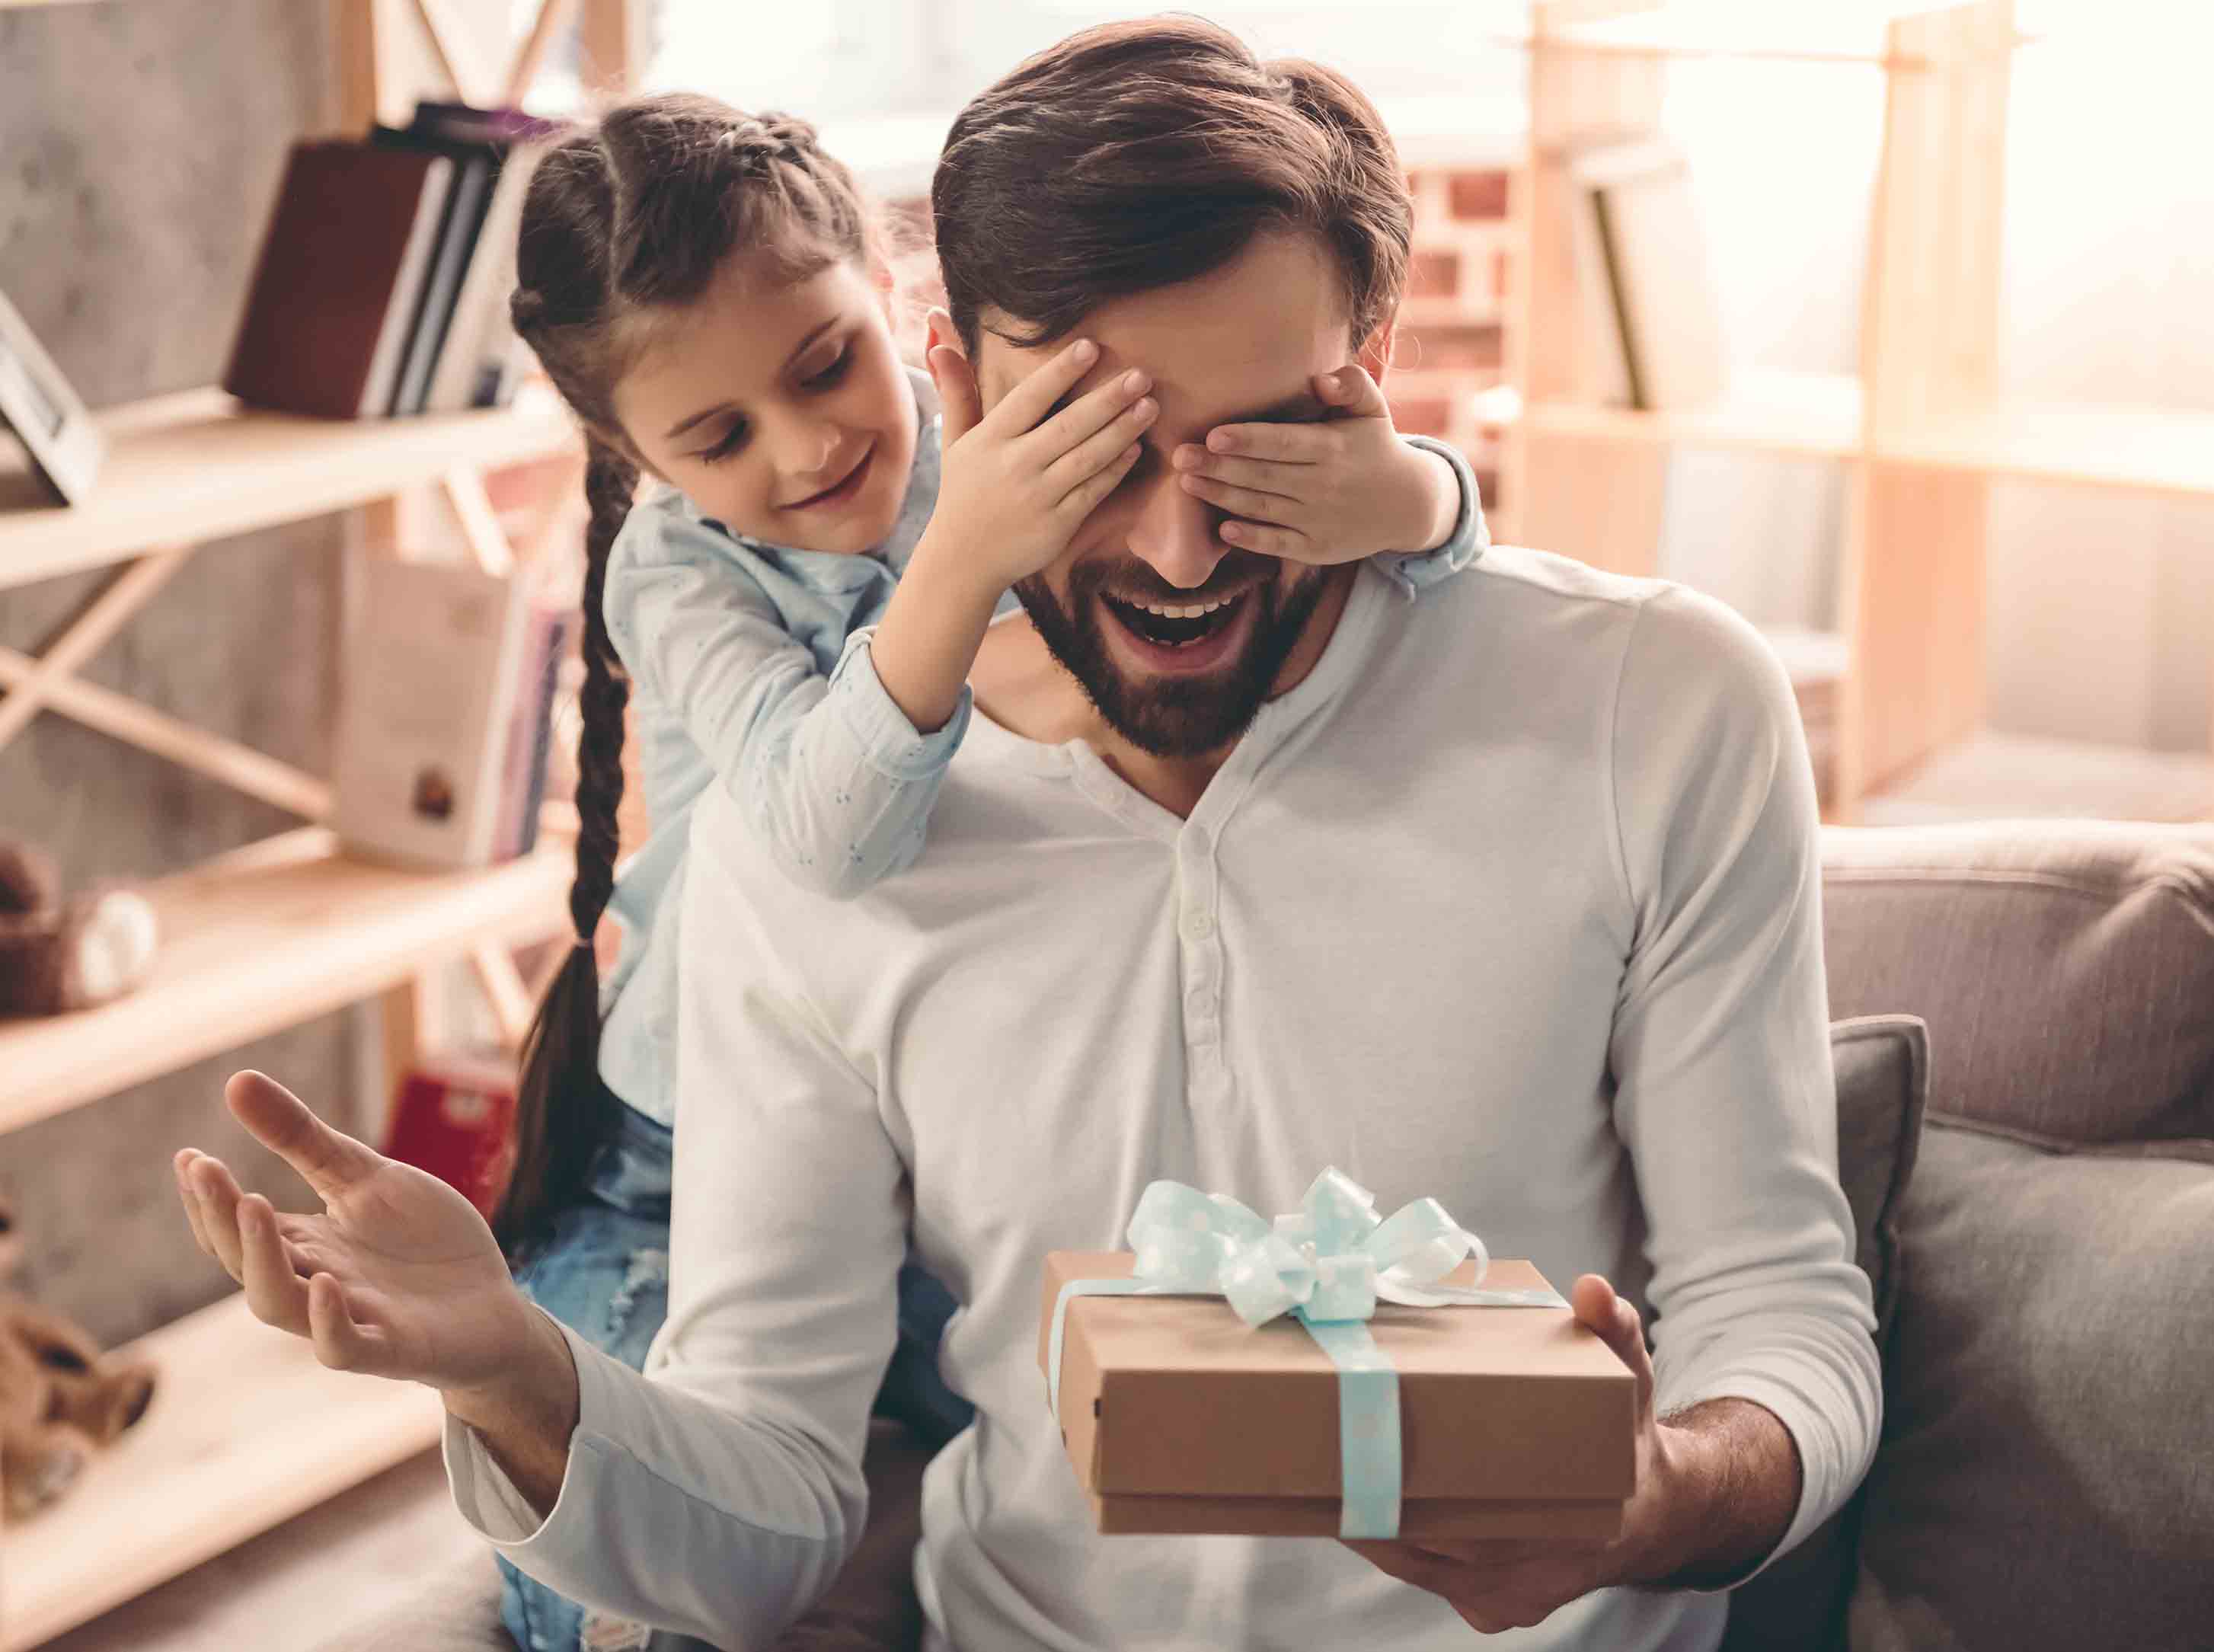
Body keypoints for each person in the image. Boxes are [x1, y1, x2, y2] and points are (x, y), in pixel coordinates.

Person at [174, 20, 1879, 1650]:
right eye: (1097, 445)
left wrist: (1649, 1496)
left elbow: (1786, 1313)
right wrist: (515, 1374)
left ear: (1366, 371)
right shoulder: (822, 831)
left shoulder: (1660, 706)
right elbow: (768, 1518)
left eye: (1256, 439)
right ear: (963, 391)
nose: (1185, 549)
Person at [403, 89, 1494, 1652]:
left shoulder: (979, 450)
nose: (810, 442)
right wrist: (975, 550)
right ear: (631, 456)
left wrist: (1416, 493)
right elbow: (827, 836)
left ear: (898, 306)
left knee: (1128, 1428)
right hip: (687, 1160)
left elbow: (1366, 537)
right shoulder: (680, 572)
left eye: (826, 362)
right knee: (611, 1551)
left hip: (929, 1165)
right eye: (716, 435)